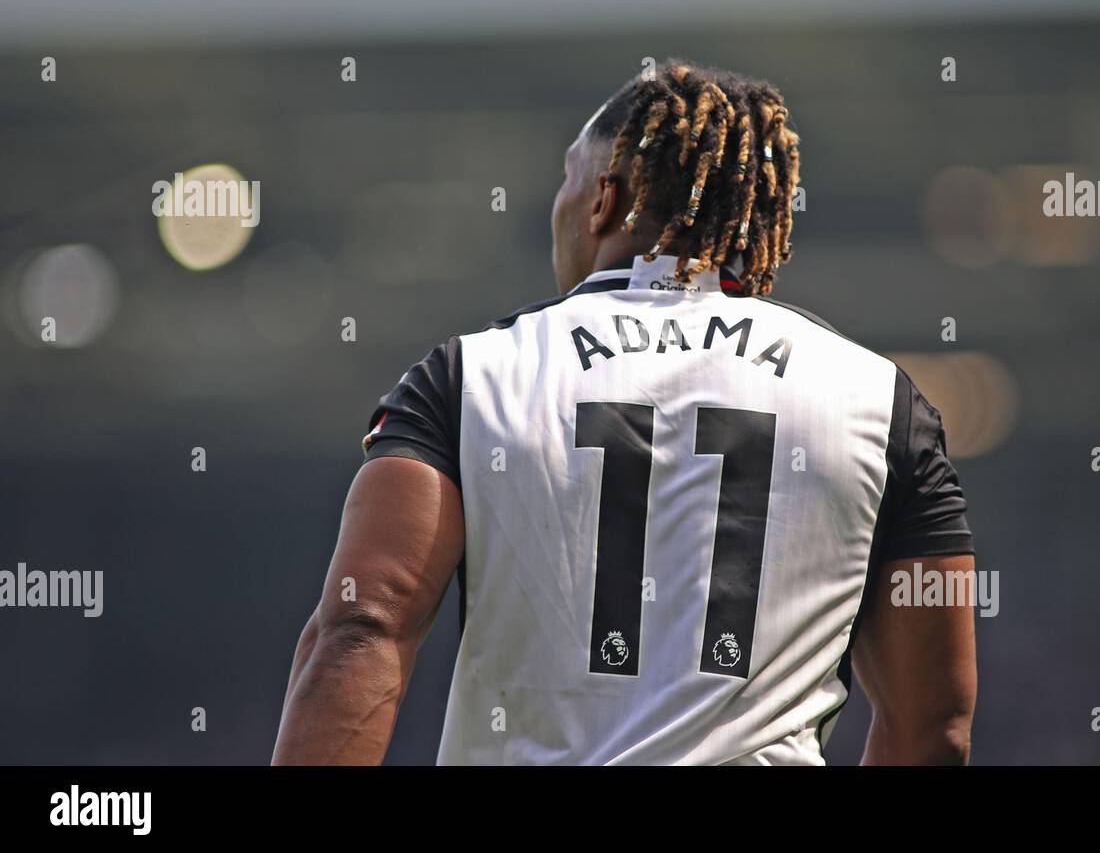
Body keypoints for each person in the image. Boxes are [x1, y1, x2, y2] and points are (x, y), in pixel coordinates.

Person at [273, 60, 976, 765]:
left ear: (604, 200)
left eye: (568, 178)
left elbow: (362, 628)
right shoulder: (881, 400)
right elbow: (934, 722)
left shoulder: (467, 377)